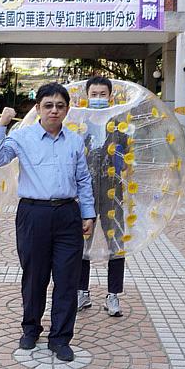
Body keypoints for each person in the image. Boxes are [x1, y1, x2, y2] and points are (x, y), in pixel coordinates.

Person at [0, 83, 95, 362]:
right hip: (33, 214)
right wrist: (2, 126)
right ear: (38, 109)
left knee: (66, 279)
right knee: (34, 277)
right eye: (48, 105)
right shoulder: (22, 136)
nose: (54, 111)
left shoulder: (74, 141)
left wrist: (88, 213)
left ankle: (60, 338)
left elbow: (83, 180)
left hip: (67, 214)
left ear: (67, 110)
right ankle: (30, 329)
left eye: (60, 106)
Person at [75, 76, 127, 317]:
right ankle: (81, 292)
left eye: (102, 94)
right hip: (84, 193)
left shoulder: (120, 124)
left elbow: (127, 158)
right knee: (81, 243)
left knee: (115, 243)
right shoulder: (79, 124)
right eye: (93, 94)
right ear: (87, 97)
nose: (98, 98)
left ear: (110, 97)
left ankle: (113, 295)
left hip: (113, 191)